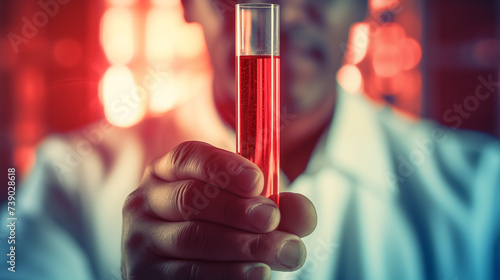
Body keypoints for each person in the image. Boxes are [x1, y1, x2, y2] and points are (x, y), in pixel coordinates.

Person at [2, 0, 500, 279]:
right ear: (186, 6)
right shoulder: (64, 181)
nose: (281, 11)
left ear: (364, 6)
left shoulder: (483, 192)